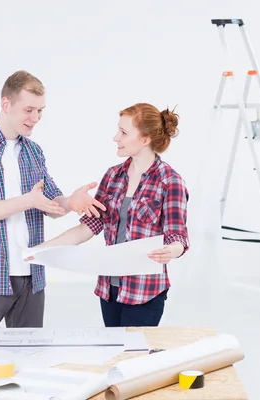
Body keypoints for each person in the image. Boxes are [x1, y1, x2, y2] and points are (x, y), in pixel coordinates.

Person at [0, 70, 106, 329]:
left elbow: (51, 203)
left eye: (40, 111)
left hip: (31, 276)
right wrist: (29, 200)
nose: (35, 119)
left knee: (30, 358)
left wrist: (70, 202)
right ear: (6, 104)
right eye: (29, 110)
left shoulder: (32, 151)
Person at [25, 103, 190, 327]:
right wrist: (41, 250)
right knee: (113, 355)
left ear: (144, 139)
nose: (116, 138)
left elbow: (177, 236)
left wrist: (171, 250)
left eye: (123, 133)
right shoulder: (113, 176)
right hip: (110, 290)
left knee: (134, 357)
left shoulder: (170, 181)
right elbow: (87, 228)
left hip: (145, 292)